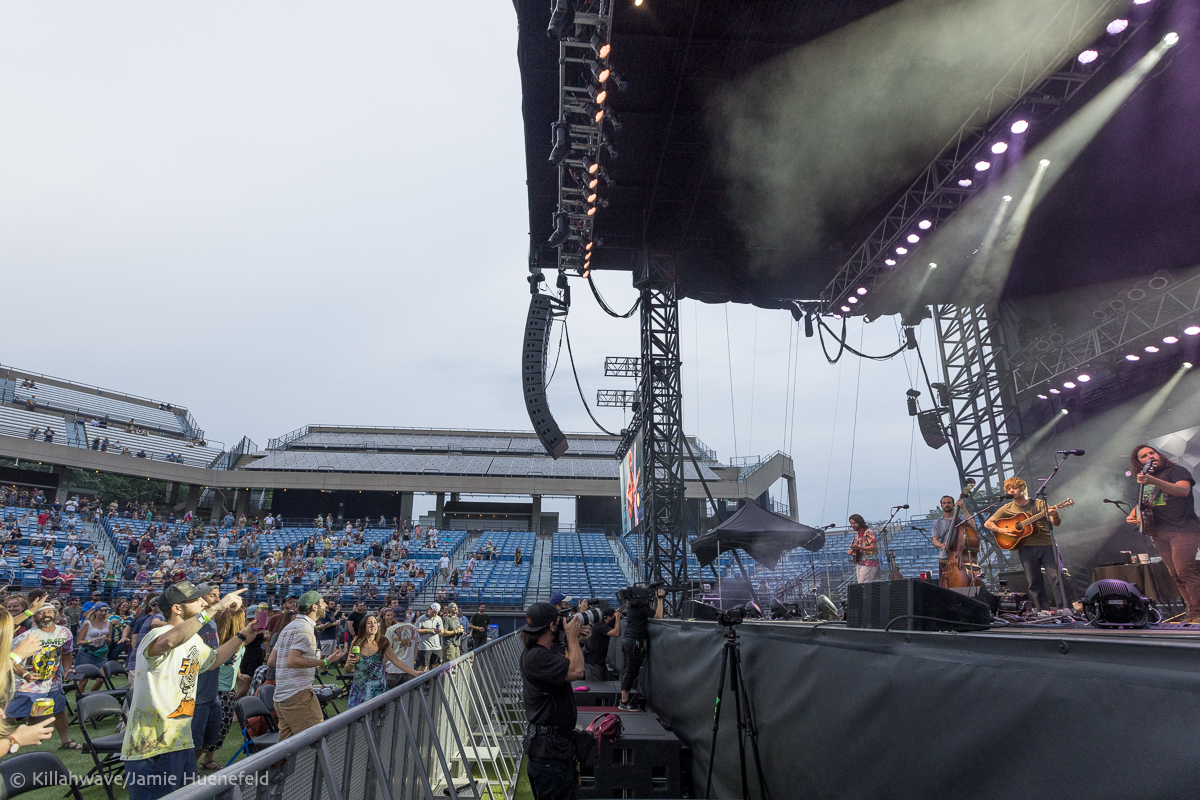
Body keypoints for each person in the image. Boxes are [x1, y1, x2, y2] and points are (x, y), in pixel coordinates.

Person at [121, 581, 254, 800]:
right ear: (176, 608)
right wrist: (215, 609)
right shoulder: (158, 634)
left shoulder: (193, 639)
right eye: (196, 599)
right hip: (152, 745)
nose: (203, 601)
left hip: (180, 740)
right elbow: (170, 640)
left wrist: (241, 635)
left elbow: (214, 660)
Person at [1126, 444, 1200, 621]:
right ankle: (1192, 611)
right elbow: (1144, 504)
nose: (1150, 456)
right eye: (1144, 456)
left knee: (1185, 571)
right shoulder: (1146, 480)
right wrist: (1134, 514)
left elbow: (1183, 490)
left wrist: (1153, 481)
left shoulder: (1176, 471)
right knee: (1175, 574)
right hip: (1159, 532)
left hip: (1183, 528)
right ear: (1139, 463)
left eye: (1152, 452)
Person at [518, 602, 584, 800]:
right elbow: (576, 671)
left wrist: (576, 641)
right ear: (552, 626)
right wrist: (572, 637)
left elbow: (567, 661)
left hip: (552, 749)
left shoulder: (540, 652)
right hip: (549, 754)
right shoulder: (537, 656)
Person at [270, 591, 347, 741]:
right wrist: (324, 662)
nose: (325, 605)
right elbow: (292, 661)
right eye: (323, 602)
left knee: (285, 752)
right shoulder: (304, 629)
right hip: (298, 696)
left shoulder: (289, 627)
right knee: (314, 744)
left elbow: (272, 661)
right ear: (314, 607)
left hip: (282, 696)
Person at [6, 603, 80, 750]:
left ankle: (65, 741)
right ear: (35, 616)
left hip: (53, 681)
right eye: (41, 612)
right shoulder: (26, 636)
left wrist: (67, 669)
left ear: (55, 614)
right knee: (10, 714)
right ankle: (5, 743)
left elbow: (67, 652)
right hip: (26, 684)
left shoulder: (65, 633)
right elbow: (11, 661)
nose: (46, 615)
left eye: (49, 612)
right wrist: (25, 674)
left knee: (59, 709)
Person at [985, 477, 1065, 611]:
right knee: (1034, 582)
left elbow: (1056, 523)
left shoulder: (1039, 504)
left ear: (1023, 489)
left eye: (1014, 488)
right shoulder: (1007, 508)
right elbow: (988, 523)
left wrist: (1055, 515)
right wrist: (1001, 530)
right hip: (1026, 548)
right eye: (1008, 489)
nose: (1011, 490)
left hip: (1047, 545)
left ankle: (1064, 610)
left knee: (1057, 579)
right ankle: (1043, 611)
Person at [343, 614, 418, 707]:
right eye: (369, 623)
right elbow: (347, 669)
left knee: (376, 720)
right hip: (359, 690)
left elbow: (396, 661)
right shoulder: (356, 643)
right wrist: (350, 664)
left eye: (375, 622)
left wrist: (415, 673)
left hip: (377, 690)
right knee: (357, 720)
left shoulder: (383, 642)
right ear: (363, 626)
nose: (373, 625)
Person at [619, 586, 664, 710]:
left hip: (630, 640)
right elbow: (658, 616)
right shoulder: (640, 606)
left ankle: (625, 700)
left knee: (629, 669)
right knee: (631, 670)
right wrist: (660, 599)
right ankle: (624, 702)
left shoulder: (634, 606)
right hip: (634, 642)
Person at [930, 495, 978, 587]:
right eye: (944, 503)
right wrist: (941, 545)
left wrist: (963, 508)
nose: (946, 505)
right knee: (945, 583)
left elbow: (973, 524)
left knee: (963, 582)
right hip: (945, 556)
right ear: (941, 506)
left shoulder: (961, 518)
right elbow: (935, 540)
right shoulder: (937, 522)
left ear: (953, 504)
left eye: (949, 502)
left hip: (960, 556)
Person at [74, 603, 113, 693]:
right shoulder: (88, 623)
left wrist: (106, 639)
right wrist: (90, 641)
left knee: (101, 679)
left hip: (100, 652)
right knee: (83, 681)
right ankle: (79, 701)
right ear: (95, 612)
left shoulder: (109, 623)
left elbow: (110, 640)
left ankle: (91, 695)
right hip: (87, 653)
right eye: (101, 611)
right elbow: (79, 642)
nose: (103, 613)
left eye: (105, 611)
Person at [584, 606, 621, 682]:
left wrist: (618, 615)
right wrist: (617, 618)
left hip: (599, 662)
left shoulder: (604, 624)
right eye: (613, 617)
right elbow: (616, 633)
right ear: (608, 617)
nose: (614, 619)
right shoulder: (600, 625)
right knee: (596, 689)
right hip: (593, 663)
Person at [384, 613, 420, 690]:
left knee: (391, 697)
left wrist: (384, 665)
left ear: (394, 617)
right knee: (407, 698)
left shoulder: (390, 629)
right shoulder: (413, 627)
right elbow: (416, 648)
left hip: (393, 669)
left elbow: (387, 650)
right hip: (409, 668)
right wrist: (411, 660)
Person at [847, 514, 879, 583]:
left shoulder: (869, 532)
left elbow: (874, 548)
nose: (852, 525)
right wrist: (852, 551)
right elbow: (859, 548)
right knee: (861, 586)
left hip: (869, 563)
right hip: (860, 563)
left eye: (854, 523)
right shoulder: (857, 535)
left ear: (860, 522)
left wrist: (858, 547)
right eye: (851, 523)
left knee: (865, 586)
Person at [414, 603, 445, 671]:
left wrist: (440, 631)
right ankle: (421, 681)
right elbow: (416, 630)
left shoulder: (439, 618)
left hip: (436, 647)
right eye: (433, 612)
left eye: (436, 613)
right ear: (429, 609)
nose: (434, 614)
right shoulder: (422, 618)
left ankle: (434, 681)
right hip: (425, 647)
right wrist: (428, 630)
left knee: (437, 666)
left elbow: (442, 632)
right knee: (424, 667)